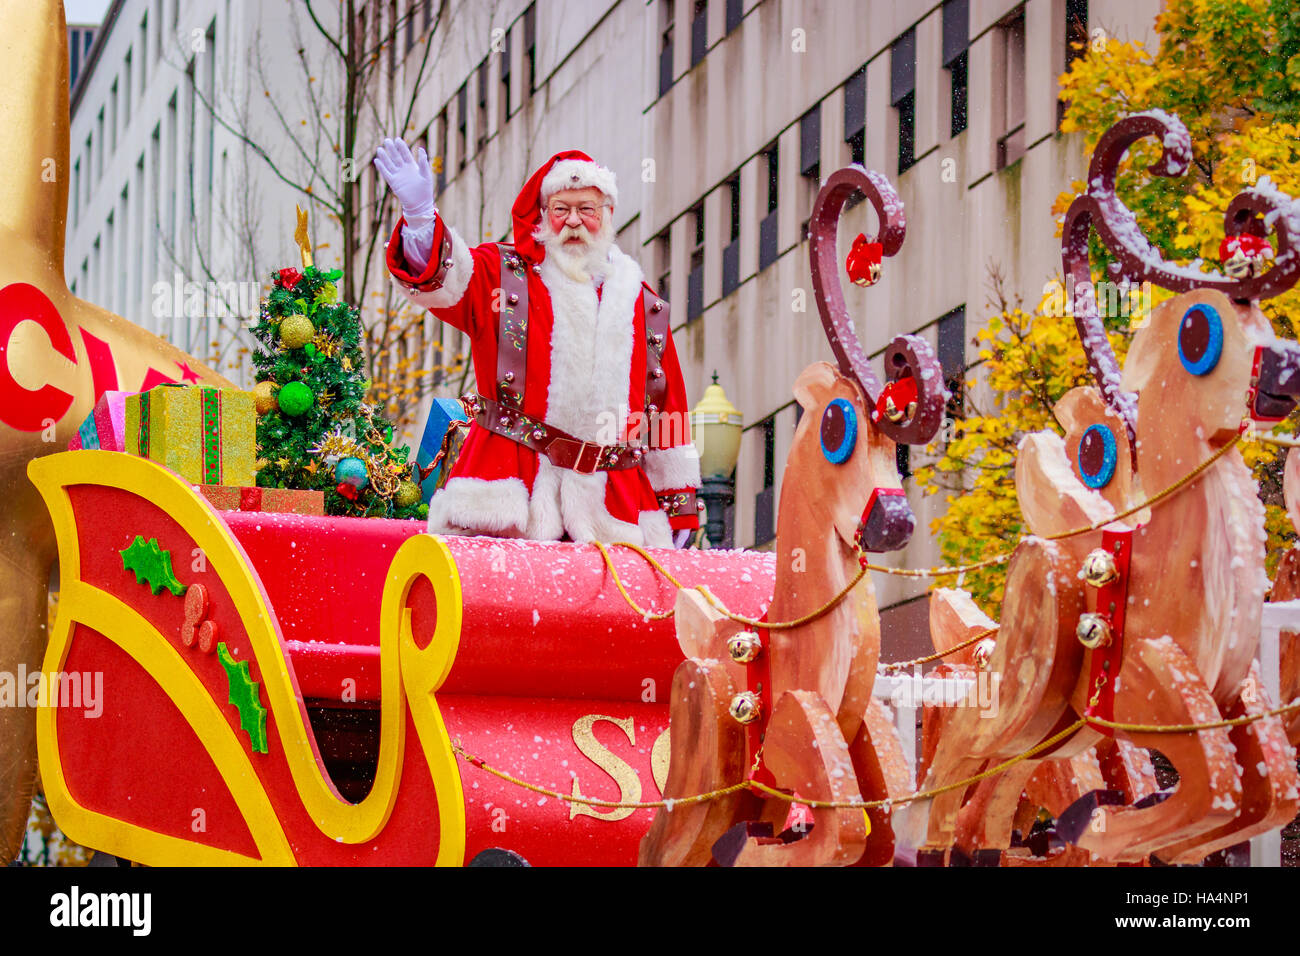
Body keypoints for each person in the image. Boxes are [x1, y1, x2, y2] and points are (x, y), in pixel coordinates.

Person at [374, 140, 701, 547]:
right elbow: (445, 283)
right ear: (543, 216)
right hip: (509, 497)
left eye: (587, 210)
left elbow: (667, 412)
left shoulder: (645, 304)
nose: (574, 221)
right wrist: (421, 219)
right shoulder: (505, 276)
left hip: (617, 513)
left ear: (609, 215)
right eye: (561, 210)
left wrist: (677, 503)